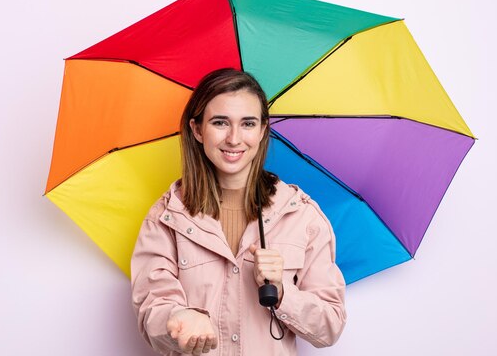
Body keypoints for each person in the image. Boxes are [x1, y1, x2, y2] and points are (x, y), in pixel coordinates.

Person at [131, 68, 346, 355]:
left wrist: (283, 293)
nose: (234, 138)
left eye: (247, 123)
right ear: (197, 129)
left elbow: (330, 326)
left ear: (262, 130)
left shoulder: (301, 216)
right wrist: (176, 318)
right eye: (220, 122)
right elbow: (151, 310)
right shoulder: (167, 217)